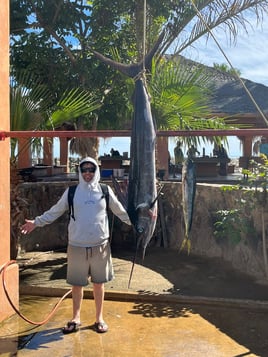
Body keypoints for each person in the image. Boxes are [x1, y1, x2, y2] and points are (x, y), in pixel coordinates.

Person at [21, 157, 131, 334]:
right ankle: (76, 318)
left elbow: (121, 212)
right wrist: (36, 222)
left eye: (91, 169)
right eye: (84, 169)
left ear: (96, 171)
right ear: (80, 171)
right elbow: (55, 211)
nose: (88, 173)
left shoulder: (105, 190)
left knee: (98, 284)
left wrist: (140, 222)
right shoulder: (72, 192)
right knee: (77, 285)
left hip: (100, 245)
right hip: (77, 246)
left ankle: (99, 318)